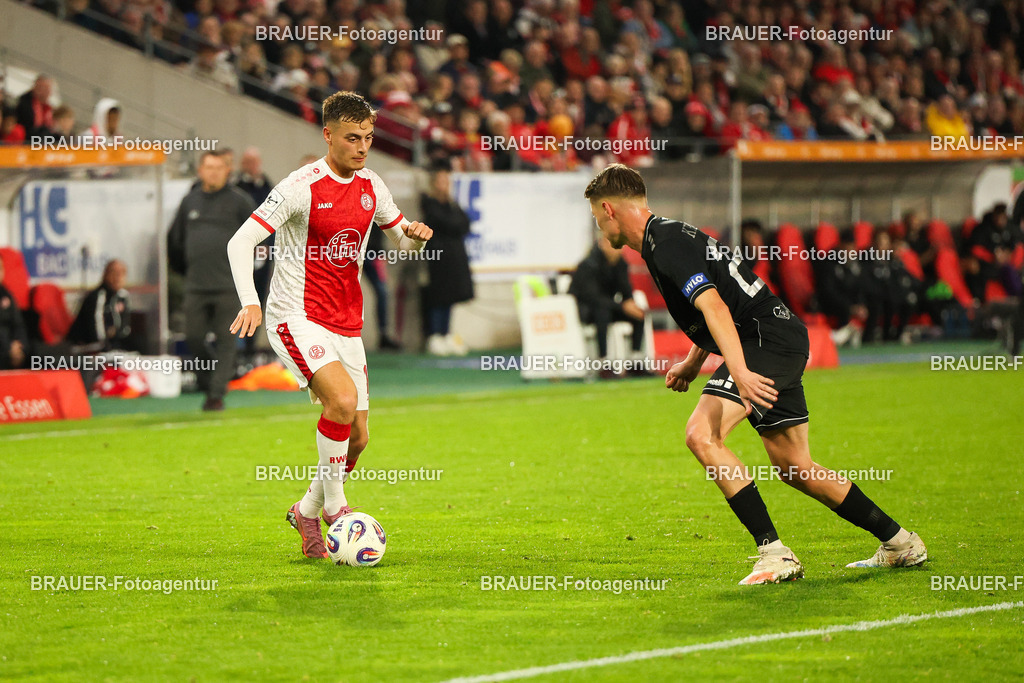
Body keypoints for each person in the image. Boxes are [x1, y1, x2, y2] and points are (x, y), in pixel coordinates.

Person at [584, 164, 927, 585]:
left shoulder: (665, 245)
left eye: (596, 217)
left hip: (763, 341)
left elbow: (716, 307)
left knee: (701, 434)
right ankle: (900, 542)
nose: (598, 226)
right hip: (778, 335)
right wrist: (692, 362)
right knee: (795, 467)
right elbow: (716, 304)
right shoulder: (669, 235)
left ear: (609, 209)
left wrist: (741, 371)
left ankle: (774, 553)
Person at [226, 91, 433, 559]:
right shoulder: (299, 186)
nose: (362, 147)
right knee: (341, 401)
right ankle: (337, 508)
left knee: (357, 437)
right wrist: (250, 302)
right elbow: (240, 243)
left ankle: (306, 510)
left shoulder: (372, 185)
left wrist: (417, 238)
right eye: (352, 138)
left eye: (368, 138)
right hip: (295, 316)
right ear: (328, 135)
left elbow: (402, 240)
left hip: (346, 322)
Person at [168, 150, 255, 411]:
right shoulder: (190, 202)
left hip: (229, 285)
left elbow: (259, 237)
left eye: (219, 168)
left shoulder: (240, 202)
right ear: (200, 171)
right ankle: (211, 381)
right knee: (193, 338)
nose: (214, 173)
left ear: (227, 171)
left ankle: (215, 395)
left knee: (227, 341)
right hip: (196, 285)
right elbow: (174, 241)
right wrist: (187, 270)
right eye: (209, 167)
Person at [569, 236, 645, 377]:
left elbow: (626, 291)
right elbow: (593, 298)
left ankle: (635, 362)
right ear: (602, 244)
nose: (617, 247)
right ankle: (603, 363)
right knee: (602, 312)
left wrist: (630, 303)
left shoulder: (621, 264)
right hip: (585, 311)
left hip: (609, 308)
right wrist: (623, 307)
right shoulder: (588, 264)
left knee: (638, 314)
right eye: (612, 243)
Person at [419, 164, 473, 356]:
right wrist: (453, 225)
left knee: (450, 298)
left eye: (447, 181)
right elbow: (446, 223)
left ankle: (446, 333)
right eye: (441, 181)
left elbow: (464, 224)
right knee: (438, 297)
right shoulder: (430, 204)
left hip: (454, 259)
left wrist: (454, 225)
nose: (445, 185)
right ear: (434, 183)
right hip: (438, 258)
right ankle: (435, 335)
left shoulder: (453, 205)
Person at [69, 259, 132, 351]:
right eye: (114, 272)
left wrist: (116, 336)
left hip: (112, 346)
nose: (118, 277)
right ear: (105, 275)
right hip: (86, 347)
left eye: (122, 273)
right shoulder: (97, 296)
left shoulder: (123, 296)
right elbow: (96, 333)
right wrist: (109, 336)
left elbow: (125, 328)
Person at [0, 259, 28, 370]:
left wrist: (20, 346)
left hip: (12, 350)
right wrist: (8, 348)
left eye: (0, 268)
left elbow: (18, 324)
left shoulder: (6, 294)